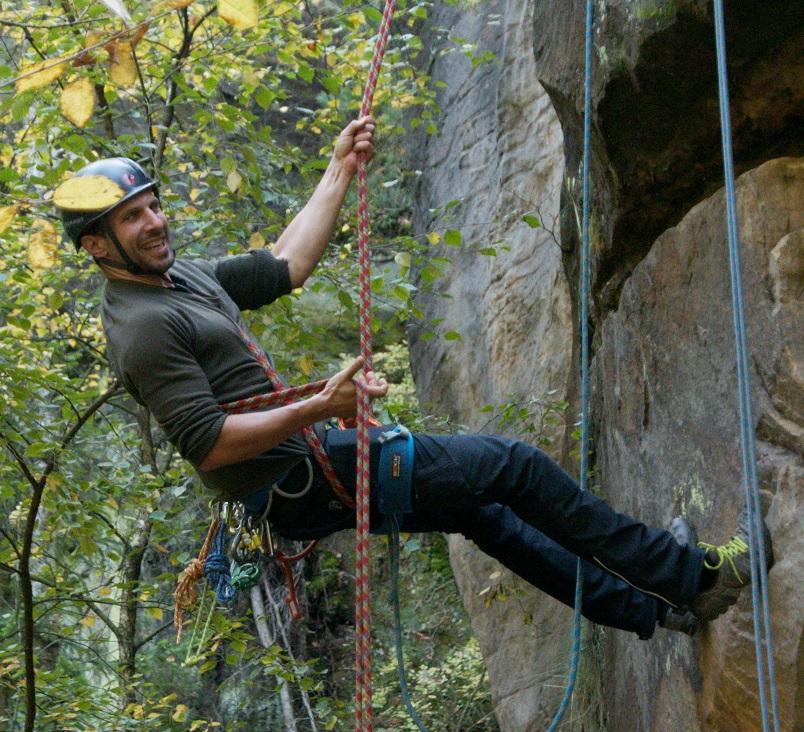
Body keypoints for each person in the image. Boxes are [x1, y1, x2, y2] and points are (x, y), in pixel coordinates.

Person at [54, 118, 765, 640]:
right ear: (96, 245)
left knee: (481, 511)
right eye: (133, 217)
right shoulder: (142, 327)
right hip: (298, 480)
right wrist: (319, 407)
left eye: (153, 205)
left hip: (303, 468)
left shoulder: (179, 279)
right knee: (512, 467)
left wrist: (339, 170)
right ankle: (693, 577)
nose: (155, 221)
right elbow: (209, 445)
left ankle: (650, 608)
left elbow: (285, 266)